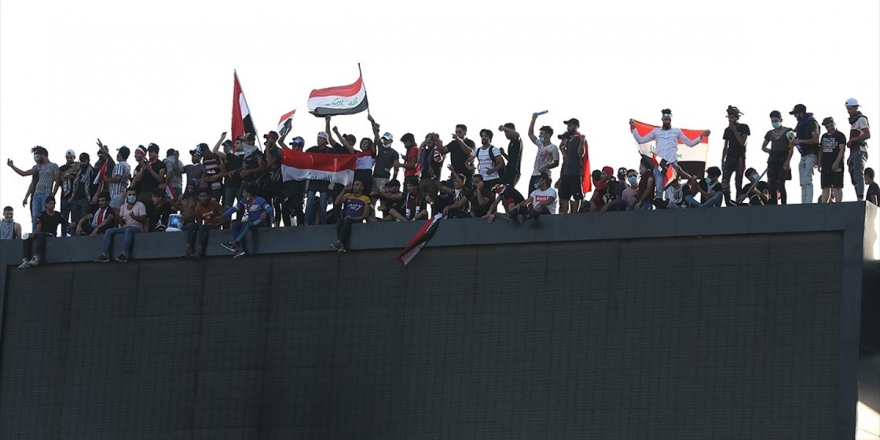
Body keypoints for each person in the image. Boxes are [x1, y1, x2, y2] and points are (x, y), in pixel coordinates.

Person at [629, 109, 710, 197]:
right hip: (660, 164)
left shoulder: (676, 131)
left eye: (669, 119)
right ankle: (659, 207)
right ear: (662, 119)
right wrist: (634, 128)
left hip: (672, 165)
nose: (667, 121)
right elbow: (641, 140)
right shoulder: (656, 131)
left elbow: (690, 143)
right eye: (665, 119)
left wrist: (702, 136)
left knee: (670, 190)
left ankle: (670, 207)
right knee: (659, 190)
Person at [7, 146, 61, 231]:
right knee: (35, 216)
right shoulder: (37, 167)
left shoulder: (53, 166)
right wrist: (12, 166)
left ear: (42, 155)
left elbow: (57, 182)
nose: (36, 158)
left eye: (37, 156)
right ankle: (34, 234)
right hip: (36, 194)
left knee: (45, 215)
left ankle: (45, 233)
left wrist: (52, 195)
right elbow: (24, 173)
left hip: (46, 194)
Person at [220, 183, 273, 258]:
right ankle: (238, 249)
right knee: (235, 225)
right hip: (249, 223)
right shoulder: (244, 201)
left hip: (259, 223)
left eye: (244, 192)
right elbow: (234, 209)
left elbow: (270, 209)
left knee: (246, 224)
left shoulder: (260, 200)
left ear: (249, 194)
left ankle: (234, 243)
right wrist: (223, 215)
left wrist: (265, 212)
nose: (242, 194)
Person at [96, 187, 147, 263]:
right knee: (109, 231)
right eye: (130, 194)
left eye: (133, 194)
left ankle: (124, 254)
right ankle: (104, 255)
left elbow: (144, 219)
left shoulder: (140, 205)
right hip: (125, 227)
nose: (132, 196)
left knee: (128, 230)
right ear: (126, 195)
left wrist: (135, 217)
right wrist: (118, 216)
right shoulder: (123, 207)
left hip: (137, 228)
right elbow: (120, 222)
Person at [18, 196, 68, 269]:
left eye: (54, 204)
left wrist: (76, 224)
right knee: (26, 236)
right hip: (41, 234)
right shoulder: (42, 215)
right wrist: (32, 234)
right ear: (46, 204)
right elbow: (38, 228)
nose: (52, 205)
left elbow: (66, 223)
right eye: (50, 203)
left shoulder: (58, 215)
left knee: (41, 235)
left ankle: (36, 256)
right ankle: (25, 259)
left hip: (51, 235)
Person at [787, 104, 820, 204]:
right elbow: (794, 132)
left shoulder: (812, 123)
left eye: (796, 114)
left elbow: (815, 139)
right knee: (802, 182)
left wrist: (800, 141)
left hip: (811, 154)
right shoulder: (801, 124)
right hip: (803, 155)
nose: (795, 116)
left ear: (801, 113)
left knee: (807, 179)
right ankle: (804, 202)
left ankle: (808, 202)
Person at [182, 188, 224, 261]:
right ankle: (188, 250)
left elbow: (225, 217)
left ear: (208, 196)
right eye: (201, 196)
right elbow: (199, 221)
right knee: (192, 226)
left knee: (202, 228)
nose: (203, 198)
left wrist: (217, 225)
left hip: (214, 226)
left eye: (205, 196)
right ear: (198, 198)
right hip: (205, 226)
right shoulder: (199, 208)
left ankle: (199, 251)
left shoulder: (215, 204)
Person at [761, 111, 793, 205]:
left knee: (781, 184)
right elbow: (763, 147)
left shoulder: (788, 131)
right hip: (773, 160)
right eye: (772, 121)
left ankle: (784, 204)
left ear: (781, 120)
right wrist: (770, 151)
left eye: (776, 120)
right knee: (772, 183)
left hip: (783, 159)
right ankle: (774, 204)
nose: (774, 122)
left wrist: (788, 161)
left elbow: (792, 147)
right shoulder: (770, 133)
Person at [721, 105, 750, 206]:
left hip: (739, 157)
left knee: (738, 181)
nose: (730, 119)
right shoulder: (727, 130)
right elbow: (725, 146)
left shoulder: (744, 127)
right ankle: (728, 202)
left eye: (732, 117)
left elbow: (742, 142)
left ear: (737, 118)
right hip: (729, 157)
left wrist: (734, 130)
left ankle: (738, 201)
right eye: (729, 117)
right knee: (725, 181)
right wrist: (722, 160)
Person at [330, 180, 371, 253]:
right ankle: (341, 244)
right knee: (340, 220)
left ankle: (339, 242)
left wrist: (353, 218)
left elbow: (365, 215)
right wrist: (343, 190)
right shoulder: (348, 196)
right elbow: (337, 202)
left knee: (347, 220)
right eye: (354, 185)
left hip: (357, 220)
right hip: (347, 220)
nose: (354, 187)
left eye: (357, 185)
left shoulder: (365, 198)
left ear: (362, 187)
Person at [558, 119, 587, 214]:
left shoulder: (579, 138)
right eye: (568, 126)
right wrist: (562, 150)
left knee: (577, 195)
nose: (568, 127)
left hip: (576, 171)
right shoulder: (570, 140)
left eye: (570, 125)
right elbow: (567, 159)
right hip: (567, 171)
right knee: (564, 196)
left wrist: (582, 142)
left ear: (576, 126)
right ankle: (566, 214)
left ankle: (575, 214)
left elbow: (580, 155)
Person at [845, 98, 871, 202]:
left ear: (856, 108)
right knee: (853, 173)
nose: (848, 111)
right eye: (848, 109)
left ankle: (860, 198)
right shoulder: (854, 121)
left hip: (860, 150)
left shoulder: (861, 119)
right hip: (854, 151)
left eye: (850, 109)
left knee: (858, 175)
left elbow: (867, 134)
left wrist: (853, 140)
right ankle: (858, 196)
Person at [527, 113, 560, 192]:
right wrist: (533, 119)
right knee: (531, 197)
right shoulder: (540, 145)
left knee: (541, 197)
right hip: (535, 174)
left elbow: (556, 163)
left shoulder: (553, 147)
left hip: (544, 176)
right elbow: (530, 134)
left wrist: (546, 167)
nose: (539, 136)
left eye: (541, 133)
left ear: (547, 135)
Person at [818, 117, 847, 203]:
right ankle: (824, 204)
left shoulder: (840, 135)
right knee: (825, 186)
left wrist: (837, 162)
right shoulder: (824, 136)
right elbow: (821, 150)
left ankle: (838, 204)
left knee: (837, 185)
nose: (830, 128)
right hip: (825, 164)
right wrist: (819, 162)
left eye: (831, 125)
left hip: (836, 163)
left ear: (834, 124)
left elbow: (842, 149)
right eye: (828, 127)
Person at [68, 152, 95, 231]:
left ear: (88, 160)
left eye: (84, 160)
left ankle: (83, 234)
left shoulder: (92, 171)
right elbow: (75, 183)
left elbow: (97, 183)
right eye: (81, 160)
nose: (83, 162)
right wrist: (73, 196)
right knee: (74, 220)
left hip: (86, 198)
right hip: (76, 198)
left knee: (84, 219)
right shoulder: (79, 170)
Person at [59, 149, 77, 224]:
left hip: (74, 196)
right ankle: (63, 235)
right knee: (63, 218)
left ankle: (73, 235)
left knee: (74, 218)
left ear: (74, 158)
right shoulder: (61, 168)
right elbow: (58, 181)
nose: (69, 159)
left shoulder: (78, 167)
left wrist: (71, 177)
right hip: (64, 195)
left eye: (71, 157)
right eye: (68, 157)